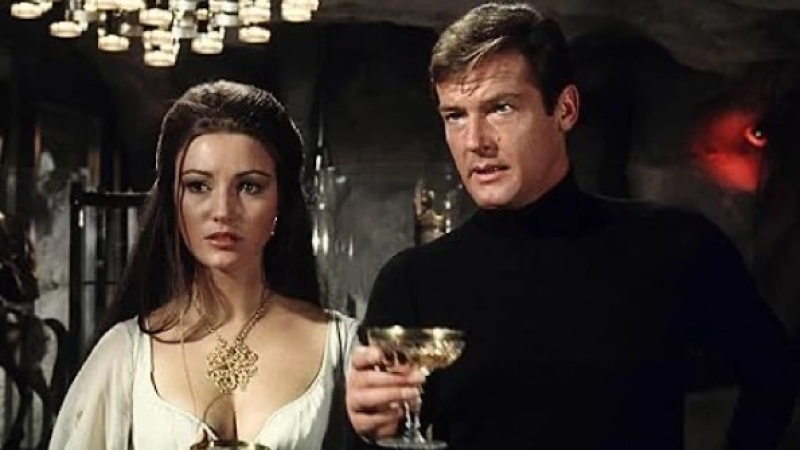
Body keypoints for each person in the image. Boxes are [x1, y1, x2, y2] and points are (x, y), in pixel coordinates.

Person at [345, 3, 800, 449]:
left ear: (564, 109)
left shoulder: (674, 246)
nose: (475, 142)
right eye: (455, 116)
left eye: (501, 108)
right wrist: (367, 428)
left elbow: (776, 373)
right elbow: (387, 434)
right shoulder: (412, 282)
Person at [49, 80, 359, 450]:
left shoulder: (341, 345)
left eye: (249, 187)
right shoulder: (125, 353)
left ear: (281, 203)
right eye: (198, 186)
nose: (223, 211)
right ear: (173, 201)